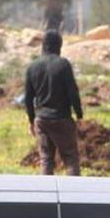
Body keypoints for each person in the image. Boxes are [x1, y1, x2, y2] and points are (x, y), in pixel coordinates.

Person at [24, 30, 83, 176]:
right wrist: (79, 114)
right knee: (70, 158)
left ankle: (45, 195)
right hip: (62, 117)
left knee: (46, 159)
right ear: (59, 46)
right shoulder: (63, 65)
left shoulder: (33, 66)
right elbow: (72, 93)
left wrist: (31, 120)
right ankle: (73, 194)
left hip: (42, 119)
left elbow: (28, 98)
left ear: (43, 45)